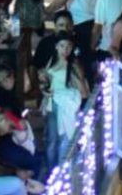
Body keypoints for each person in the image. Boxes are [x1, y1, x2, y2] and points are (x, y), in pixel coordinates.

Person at [42, 32, 88, 172]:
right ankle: (51, 171)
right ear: (56, 46)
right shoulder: (52, 61)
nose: (65, 50)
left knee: (64, 138)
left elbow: (83, 90)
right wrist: (44, 91)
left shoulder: (73, 64)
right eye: (62, 46)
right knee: (52, 140)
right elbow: (46, 81)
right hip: (52, 103)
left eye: (68, 47)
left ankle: (61, 172)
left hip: (66, 104)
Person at [8, 0, 46, 103]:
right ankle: (33, 85)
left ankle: (23, 87)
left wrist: (3, 5)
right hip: (35, 14)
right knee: (27, 49)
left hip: (20, 14)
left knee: (19, 50)